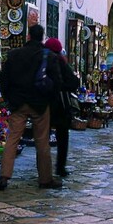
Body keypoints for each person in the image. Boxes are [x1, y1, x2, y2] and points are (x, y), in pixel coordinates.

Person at [0, 24, 62, 190]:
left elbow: (3, 79)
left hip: (18, 103)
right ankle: (45, 179)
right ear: (42, 37)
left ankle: (4, 176)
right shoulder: (48, 57)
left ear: (28, 36)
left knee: (12, 139)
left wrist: (9, 99)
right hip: (40, 104)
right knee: (42, 142)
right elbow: (57, 83)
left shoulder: (14, 55)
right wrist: (50, 101)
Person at [44, 38, 80, 177]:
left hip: (43, 104)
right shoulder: (61, 62)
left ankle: (43, 167)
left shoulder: (41, 60)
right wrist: (61, 87)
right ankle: (60, 167)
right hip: (60, 104)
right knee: (62, 138)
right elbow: (73, 82)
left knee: (42, 139)